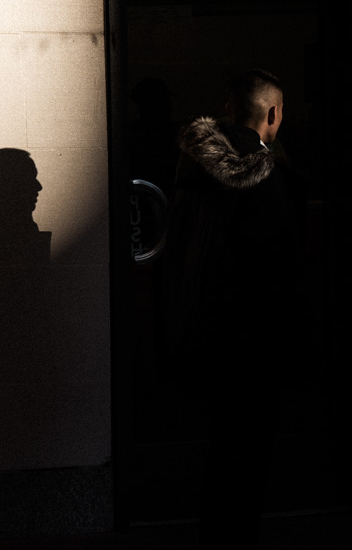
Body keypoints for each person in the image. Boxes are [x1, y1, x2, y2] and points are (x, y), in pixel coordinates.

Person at [164, 69, 303, 549]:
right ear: (272, 114)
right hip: (250, 340)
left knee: (221, 449)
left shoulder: (190, 170)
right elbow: (279, 268)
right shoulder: (268, 179)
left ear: (228, 112)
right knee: (247, 456)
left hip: (199, 330)